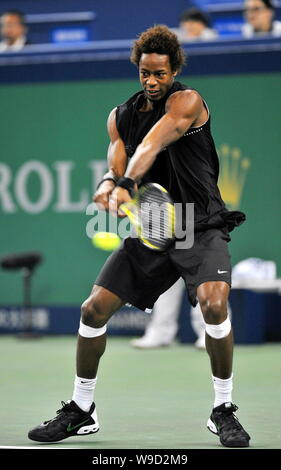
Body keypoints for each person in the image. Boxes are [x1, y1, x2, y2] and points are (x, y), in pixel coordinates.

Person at [28, 25, 250, 447]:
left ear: (174, 71)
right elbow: (120, 159)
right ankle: (81, 409)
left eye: (160, 74)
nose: (151, 82)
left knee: (214, 302)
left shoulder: (187, 101)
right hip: (155, 228)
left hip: (200, 225)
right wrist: (109, 183)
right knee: (93, 310)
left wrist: (127, 181)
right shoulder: (120, 116)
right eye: (145, 73)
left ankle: (222, 409)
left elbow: (153, 143)